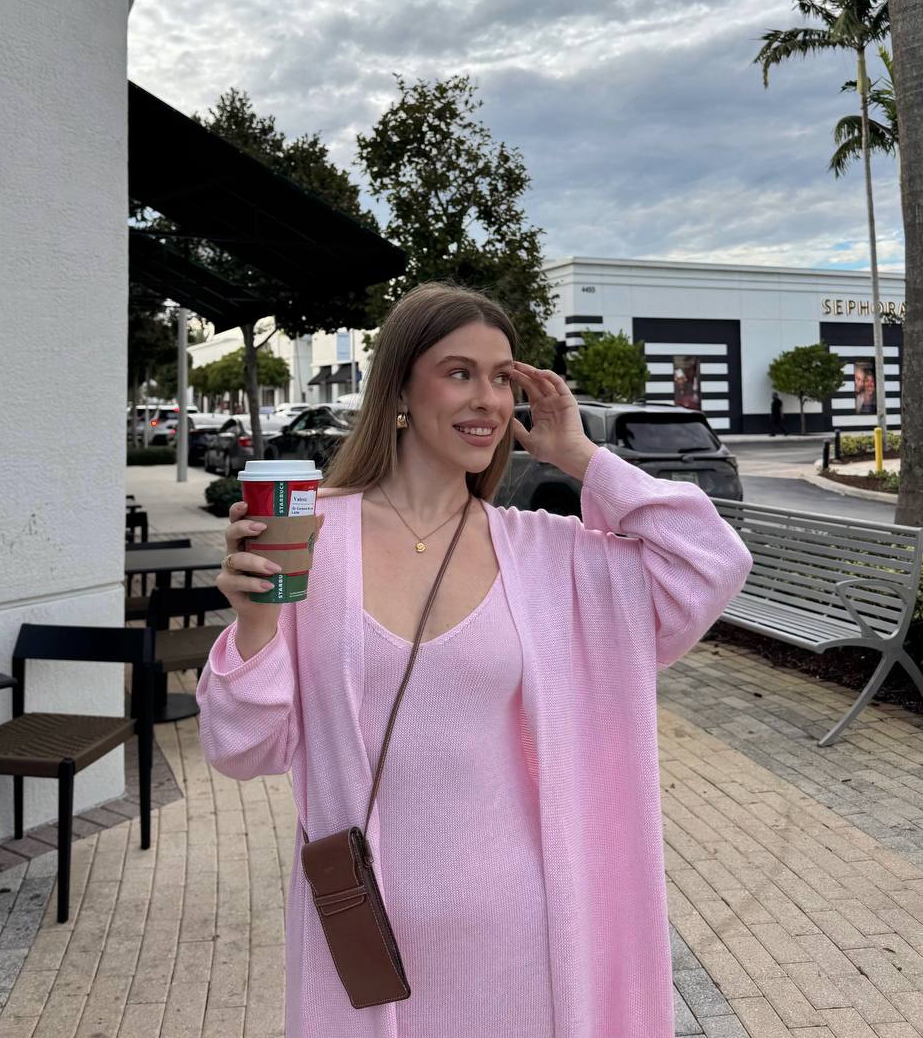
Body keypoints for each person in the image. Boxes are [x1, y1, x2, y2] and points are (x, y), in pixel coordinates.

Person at [196, 281, 753, 1038]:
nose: (487, 399)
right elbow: (242, 749)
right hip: (363, 932)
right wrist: (256, 624)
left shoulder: (541, 552)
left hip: (525, 932)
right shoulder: (310, 538)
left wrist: (581, 456)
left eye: (500, 377)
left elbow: (711, 559)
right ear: (398, 390)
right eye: (459, 372)